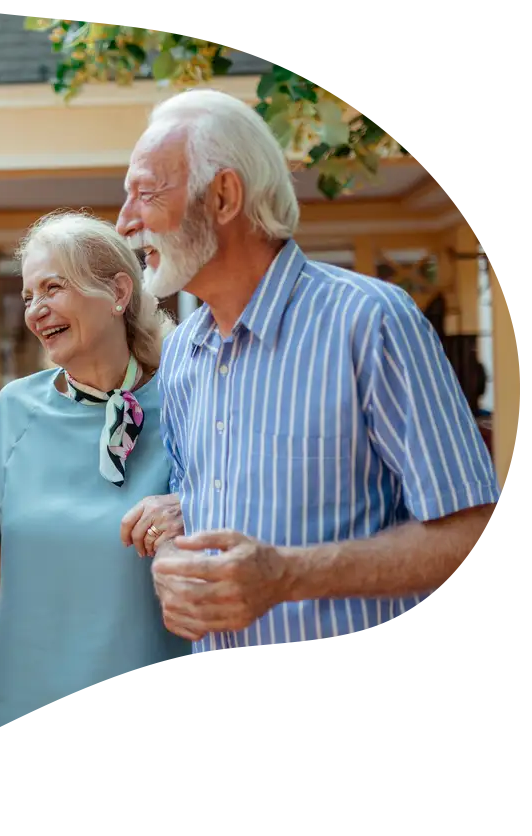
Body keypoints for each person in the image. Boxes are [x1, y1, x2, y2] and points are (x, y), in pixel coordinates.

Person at [116, 89, 505, 673]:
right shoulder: (183, 357)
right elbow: (217, 498)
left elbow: (472, 537)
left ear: (223, 196)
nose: (125, 221)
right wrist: (177, 532)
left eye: (146, 193)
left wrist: (288, 575)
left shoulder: (370, 321)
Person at [0, 210, 187, 836]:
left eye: (54, 288)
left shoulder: (188, 399)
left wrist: (200, 512)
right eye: (28, 293)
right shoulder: (18, 406)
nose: (36, 309)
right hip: (30, 717)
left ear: (118, 294)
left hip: (154, 726)